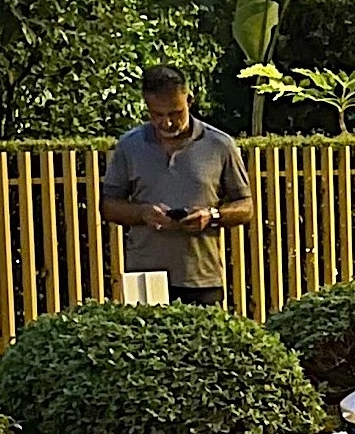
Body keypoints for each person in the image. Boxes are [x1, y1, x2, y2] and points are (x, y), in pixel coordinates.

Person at [100, 68, 253, 307]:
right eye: (157, 115)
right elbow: (108, 206)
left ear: (189, 100)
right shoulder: (129, 146)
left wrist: (212, 216)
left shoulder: (219, 145)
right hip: (144, 276)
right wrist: (143, 214)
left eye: (175, 112)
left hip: (201, 277)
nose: (167, 122)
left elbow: (246, 207)